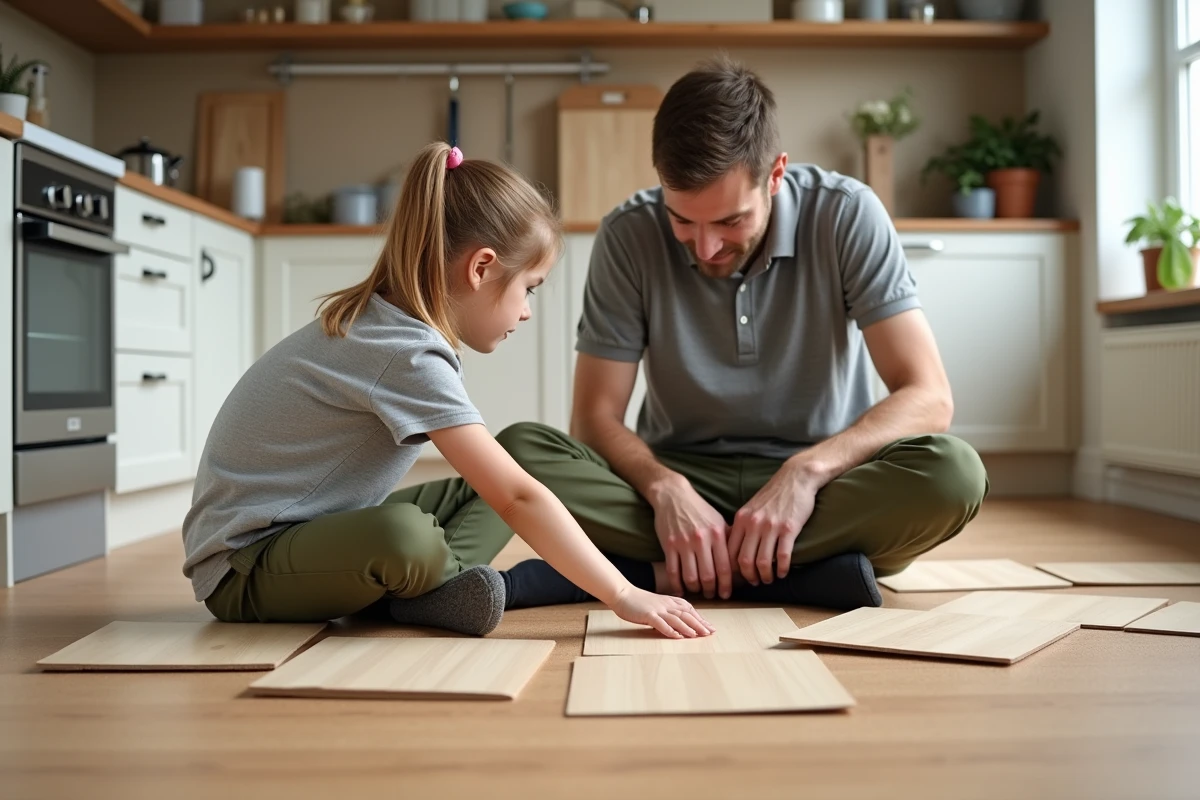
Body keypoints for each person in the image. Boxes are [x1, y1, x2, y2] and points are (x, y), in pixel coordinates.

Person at [484, 56, 991, 611]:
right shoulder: (627, 234)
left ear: (775, 174)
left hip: (824, 486)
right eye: (682, 220)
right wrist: (663, 487)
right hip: (677, 482)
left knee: (953, 475)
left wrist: (806, 472)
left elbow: (928, 396)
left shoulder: (848, 214)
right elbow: (595, 418)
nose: (704, 248)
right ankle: (806, 574)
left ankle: (665, 572)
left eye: (729, 222)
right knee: (519, 452)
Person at [180, 142, 714, 640]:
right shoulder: (402, 352)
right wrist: (622, 593)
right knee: (405, 535)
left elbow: (506, 486)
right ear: (482, 268)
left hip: (309, 535)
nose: (527, 311)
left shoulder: (394, 327)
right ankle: (435, 590)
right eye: (528, 289)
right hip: (244, 567)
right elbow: (517, 498)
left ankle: (434, 592)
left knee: (513, 455)